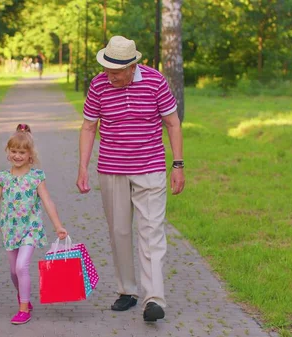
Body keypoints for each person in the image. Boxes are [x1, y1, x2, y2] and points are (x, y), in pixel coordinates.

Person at [76, 36, 185, 322]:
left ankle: (154, 299)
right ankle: (127, 291)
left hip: (150, 167)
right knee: (120, 232)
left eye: (116, 72)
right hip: (112, 168)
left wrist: (178, 165)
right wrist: (83, 167)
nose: (110, 76)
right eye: (107, 69)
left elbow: (172, 122)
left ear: (132, 65)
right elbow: (89, 127)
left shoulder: (155, 81)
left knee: (151, 233)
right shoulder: (99, 84)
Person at [0, 123, 68, 325]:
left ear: (30, 155)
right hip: (10, 229)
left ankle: (24, 308)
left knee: (22, 266)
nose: (17, 156)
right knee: (14, 271)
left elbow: (48, 201)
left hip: (30, 229)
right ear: (8, 152)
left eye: (22, 152)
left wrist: (58, 226)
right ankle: (22, 295)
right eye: (14, 151)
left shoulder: (36, 177)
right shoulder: (3, 178)